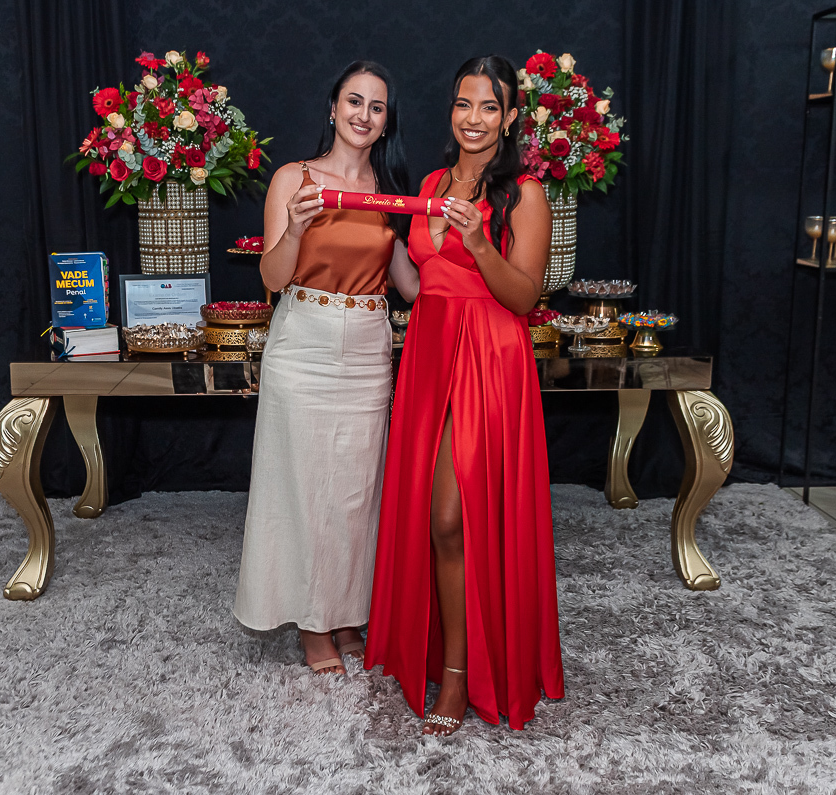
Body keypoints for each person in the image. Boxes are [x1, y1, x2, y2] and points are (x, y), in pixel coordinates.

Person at [364, 55, 564, 733]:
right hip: (430, 348)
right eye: (462, 103)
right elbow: (421, 283)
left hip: (488, 357)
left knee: (451, 517)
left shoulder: (524, 194)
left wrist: (480, 244)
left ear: (509, 117)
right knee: (427, 512)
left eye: (488, 106)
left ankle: (458, 675)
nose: (472, 118)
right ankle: (435, 650)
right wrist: (376, 241)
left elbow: (524, 296)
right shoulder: (429, 182)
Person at [233, 61, 420, 675]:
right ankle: (314, 623)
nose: (364, 115)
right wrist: (294, 227)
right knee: (305, 485)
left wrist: (474, 257)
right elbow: (272, 277)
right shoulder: (295, 178)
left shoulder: (391, 191)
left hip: (367, 343)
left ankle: (347, 614)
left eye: (377, 106)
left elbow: (410, 286)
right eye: (354, 101)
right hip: (304, 339)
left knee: (356, 492)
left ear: (387, 121)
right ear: (333, 108)